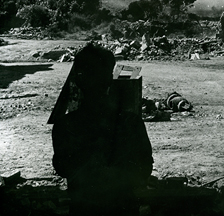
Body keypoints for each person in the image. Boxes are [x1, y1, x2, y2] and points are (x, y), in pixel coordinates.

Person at [52, 44, 153, 216]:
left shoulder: (65, 126)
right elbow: (144, 169)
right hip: (124, 208)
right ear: (109, 79)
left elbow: (62, 168)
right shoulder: (131, 123)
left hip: (84, 209)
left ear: (77, 79)